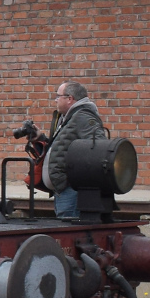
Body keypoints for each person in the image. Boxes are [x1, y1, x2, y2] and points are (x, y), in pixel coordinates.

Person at [44, 80, 108, 219]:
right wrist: (40, 138)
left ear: (69, 99)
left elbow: (99, 148)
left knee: (68, 230)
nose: (56, 100)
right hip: (64, 189)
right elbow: (64, 146)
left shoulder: (83, 116)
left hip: (71, 190)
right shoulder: (70, 117)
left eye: (58, 96)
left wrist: (70, 178)